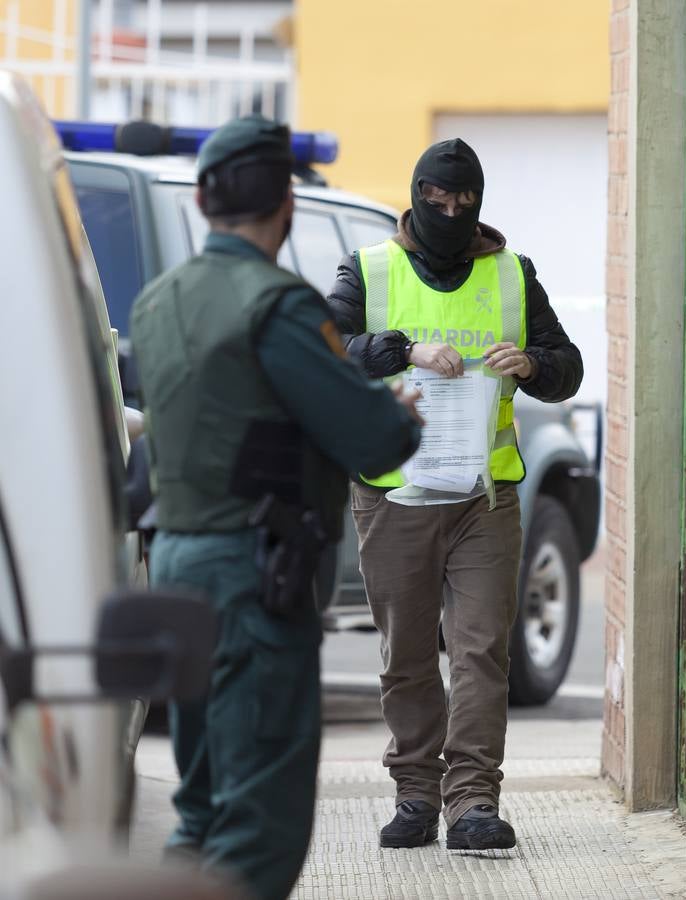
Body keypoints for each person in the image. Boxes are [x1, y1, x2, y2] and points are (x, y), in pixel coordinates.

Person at [130, 115, 422, 900]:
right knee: (259, 817)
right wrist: (398, 412)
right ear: (287, 202)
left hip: (176, 572)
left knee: (199, 806)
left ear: (201, 200)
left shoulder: (156, 302)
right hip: (251, 581)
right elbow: (372, 440)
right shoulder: (279, 305)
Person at [326, 138, 583, 851]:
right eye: (435, 201)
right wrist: (401, 350)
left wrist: (531, 362)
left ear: (478, 203)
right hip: (395, 493)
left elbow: (568, 367)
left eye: (462, 203)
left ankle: (472, 802)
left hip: (484, 497)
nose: (447, 213)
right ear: (415, 197)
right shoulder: (369, 271)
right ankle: (415, 794)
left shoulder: (512, 275)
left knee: (480, 650)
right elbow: (324, 344)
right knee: (407, 651)